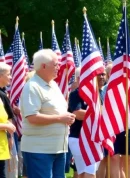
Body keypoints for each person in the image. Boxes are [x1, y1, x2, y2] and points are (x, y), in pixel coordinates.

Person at [20, 49, 76, 178]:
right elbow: (32, 117)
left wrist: (66, 117)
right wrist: (60, 118)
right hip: (39, 149)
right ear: (43, 66)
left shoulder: (54, 85)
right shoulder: (32, 86)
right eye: (55, 64)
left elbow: (58, 110)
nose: (59, 67)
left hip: (58, 148)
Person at [69, 68, 103, 178]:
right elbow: (77, 113)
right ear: (79, 79)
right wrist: (97, 113)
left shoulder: (96, 94)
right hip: (78, 137)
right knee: (90, 170)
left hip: (94, 137)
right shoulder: (76, 94)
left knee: (83, 172)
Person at [0, 63, 16, 178]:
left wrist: (10, 137)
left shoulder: (3, 94)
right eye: (8, 74)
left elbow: (8, 117)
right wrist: (6, 127)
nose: (11, 77)